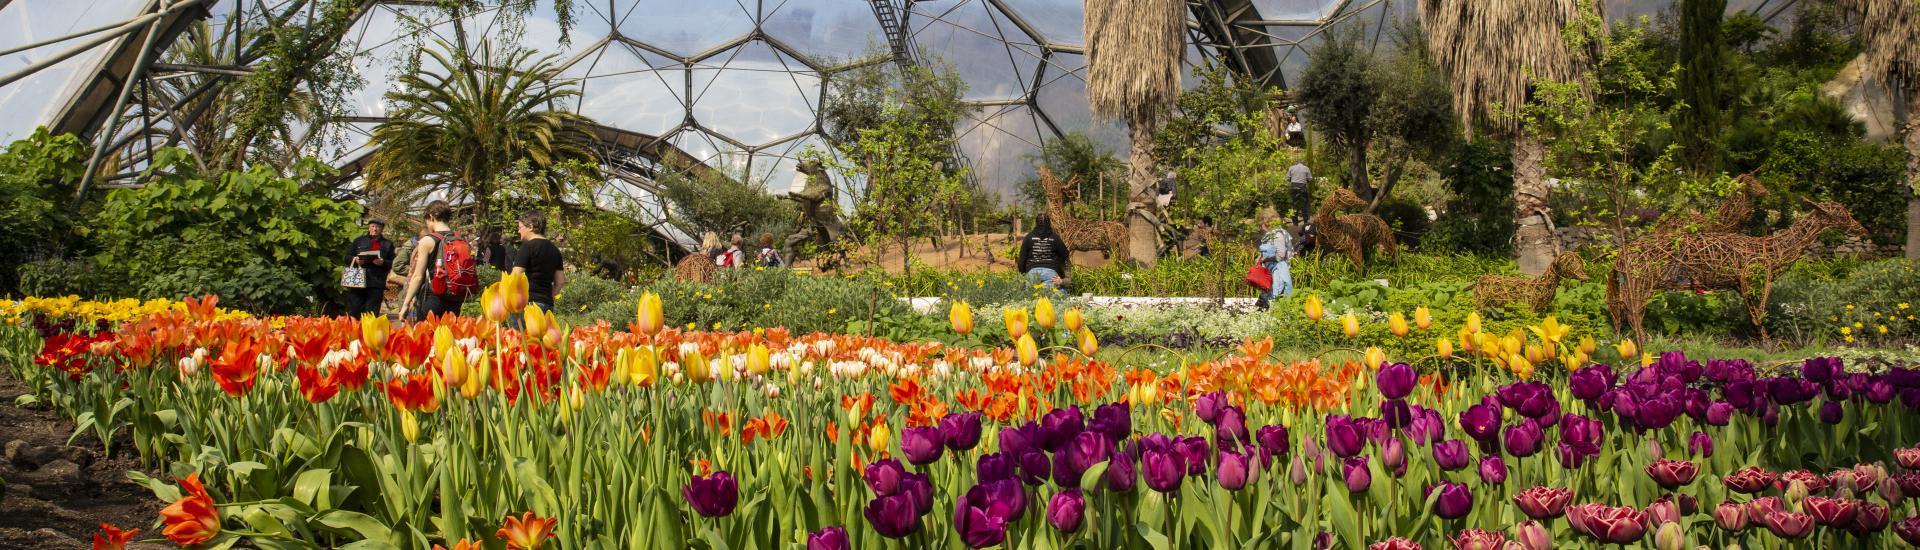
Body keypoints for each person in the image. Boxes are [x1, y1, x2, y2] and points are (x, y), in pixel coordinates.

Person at [398, 200, 467, 322]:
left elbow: (418, 277)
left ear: (431, 216)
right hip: (455, 297)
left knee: (427, 338)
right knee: (448, 337)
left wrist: (406, 303)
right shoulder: (460, 239)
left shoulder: (427, 241)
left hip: (432, 297)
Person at [510, 210, 566, 317]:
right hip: (547, 305)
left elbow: (515, 276)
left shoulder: (527, 247)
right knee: (542, 334)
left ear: (530, 227)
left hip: (527, 304)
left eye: (520, 227)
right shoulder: (555, 250)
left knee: (521, 334)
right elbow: (560, 282)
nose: (518, 231)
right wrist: (548, 297)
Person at [342, 219, 395, 317]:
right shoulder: (359, 241)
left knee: (372, 312)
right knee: (354, 310)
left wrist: (382, 262)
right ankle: (355, 330)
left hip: (376, 282)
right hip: (357, 281)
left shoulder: (388, 244)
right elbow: (347, 257)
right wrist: (356, 260)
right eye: (373, 226)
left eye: (378, 227)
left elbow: (392, 262)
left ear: (382, 229)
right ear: (369, 227)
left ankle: (369, 331)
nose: (375, 229)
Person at [1017, 212, 1071, 292]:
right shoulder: (1055, 237)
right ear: (1049, 223)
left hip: (1032, 274)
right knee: (1058, 295)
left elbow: (1022, 259)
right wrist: (1063, 277)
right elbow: (1065, 255)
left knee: (1030, 299)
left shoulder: (1028, 237)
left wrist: (1024, 273)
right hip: (1051, 274)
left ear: (1036, 223)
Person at [1255, 215, 1295, 309]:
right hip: (1268, 270)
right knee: (1266, 295)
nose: (1261, 227)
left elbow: (1280, 255)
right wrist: (1259, 258)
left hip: (1277, 270)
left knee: (1276, 294)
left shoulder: (1278, 235)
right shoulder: (1269, 236)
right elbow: (1266, 251)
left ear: (1266, 224)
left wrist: (1265, 259)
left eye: (1262, 224)